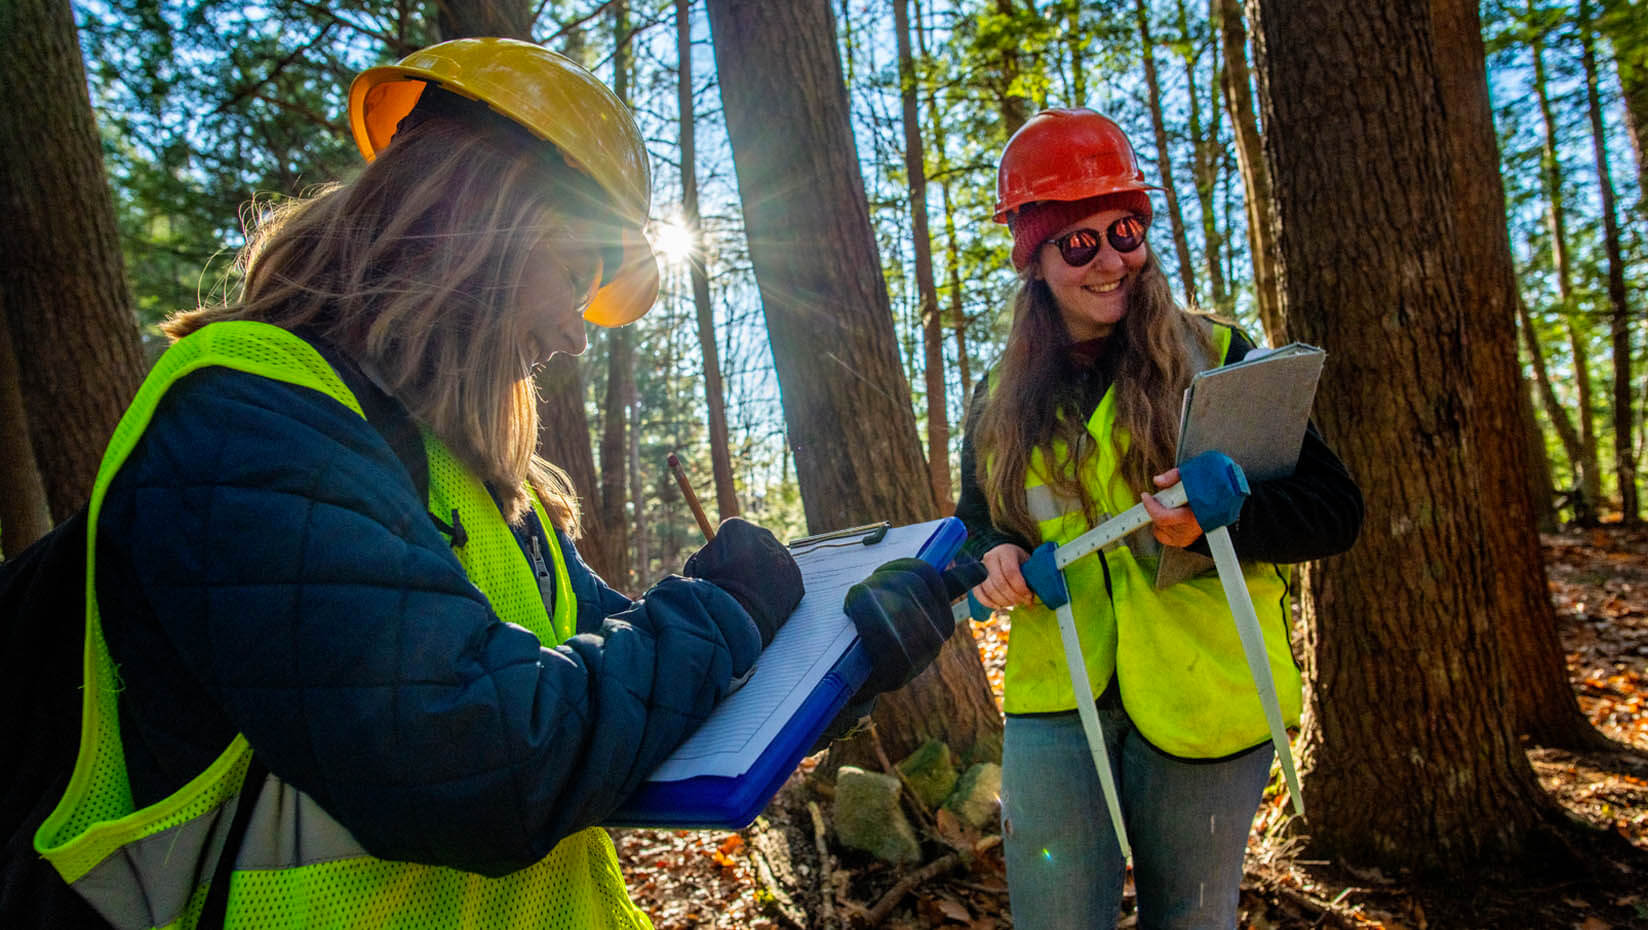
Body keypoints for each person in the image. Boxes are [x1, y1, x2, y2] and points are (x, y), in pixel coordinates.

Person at [33, 37, 968, 930]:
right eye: (572, 277)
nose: (573, 334)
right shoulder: (244, 417)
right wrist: (725, 609)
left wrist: (846, 662)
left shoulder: (459, 475)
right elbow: (480, 764)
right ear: (478, 219)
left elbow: (633, 722)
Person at [956, 108, 1364, 930]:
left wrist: (1232, 520)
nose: (1112, 260)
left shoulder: (1220, 357)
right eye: (1079, 243)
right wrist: (992, 560)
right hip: (1057, 695)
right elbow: (978, 527)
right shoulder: (996, 400)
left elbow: (1335, 512)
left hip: (1204, 696)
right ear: (1033, 258)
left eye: (1128, 230)